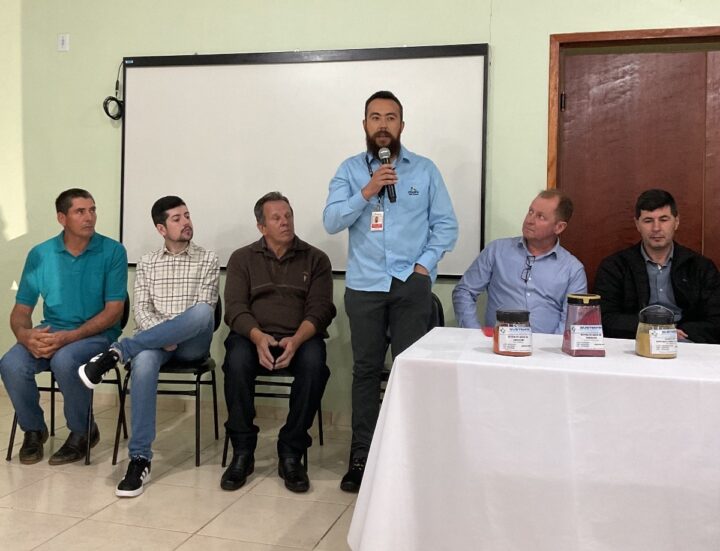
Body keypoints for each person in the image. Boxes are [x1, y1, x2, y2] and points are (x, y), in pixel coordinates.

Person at [323, 90, 458, 493]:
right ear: (364, 125)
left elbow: (446, 226)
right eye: (375, 117)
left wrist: (422, 268)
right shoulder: (349, 171)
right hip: (364, 286)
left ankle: (407, 455)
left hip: (409, 286)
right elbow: (331, 221)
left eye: (391, 117)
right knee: (365, 372)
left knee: (408, 370)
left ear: (402, 124)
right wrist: (366, 191)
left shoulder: (425, 170)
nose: (383, 125)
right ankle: (361, 457)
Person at [78, 196, 219, 497]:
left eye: (187, 215)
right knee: (142, 364)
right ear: (161, 227)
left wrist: (172, 335)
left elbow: (204, 308)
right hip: (156, 342)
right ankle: (139, 458)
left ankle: (117, 352)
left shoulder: (208, 259)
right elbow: (141, 311)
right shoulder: (146, 263)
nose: (186, 222)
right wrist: (163, 336)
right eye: (177, 219)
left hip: (192, 344)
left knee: (203, 313)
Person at [0, 188, 127, 465]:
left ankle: (83, 431)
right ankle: (34, 430)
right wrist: (25, 335)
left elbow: (114, 310)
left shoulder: (113, 250)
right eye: (80, 211)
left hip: (95, 334)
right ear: (62, 218)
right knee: (10, 363)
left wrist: (70, 337)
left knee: (66, 360)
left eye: (92, 210)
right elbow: (21, 311)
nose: (90, 217)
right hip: (52, 330)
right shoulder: (41, 254)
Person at [222, 192, 335, 494]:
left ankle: (291, 452)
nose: (285, 222)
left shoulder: (316, 259)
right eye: (276, 218)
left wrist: (296, 340)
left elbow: (321, 309)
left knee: (314, 365)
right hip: (253, 336)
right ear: (261, 227)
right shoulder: (242, 258)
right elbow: (234, 308)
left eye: (288, 215)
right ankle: (243, 452)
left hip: (300, 336)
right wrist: (258, 337)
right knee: (236, 361)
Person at [594, 188, 720, 343]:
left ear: (676, 222)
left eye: (664, 219)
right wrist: (655, 330)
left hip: (687, 343)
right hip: (634, 344)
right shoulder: (615, 266)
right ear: (637, 224)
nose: (656, 228)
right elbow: (605, 317)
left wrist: (680, 333)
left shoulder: (701, 267)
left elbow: (716, 319)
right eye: (648, 220)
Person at [453, 189, 587, 333]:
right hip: (497, 348)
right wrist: (473, 333)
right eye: (530, 212)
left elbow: (572, 321)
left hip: (546, 351)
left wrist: (550, 351)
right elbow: (464, 291)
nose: (530, 220)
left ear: (559, 227)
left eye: (541, 217)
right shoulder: (497, 251)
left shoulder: (573, 270)